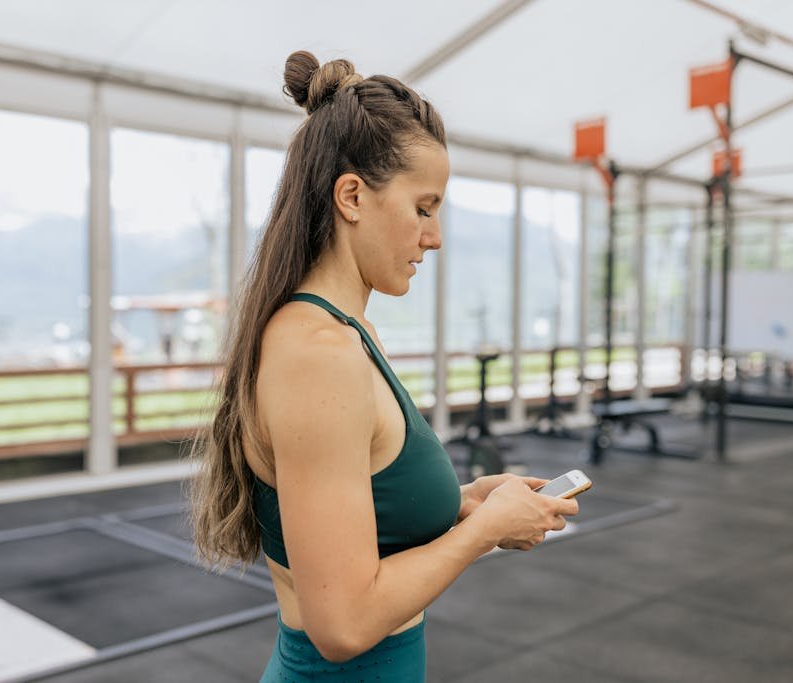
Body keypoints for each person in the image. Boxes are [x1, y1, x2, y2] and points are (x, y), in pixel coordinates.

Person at [191, 50, 579, 682]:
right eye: (423, 208)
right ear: (351, 196)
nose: (435, 236)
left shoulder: (343, 331)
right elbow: (342, 623)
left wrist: (465, 504)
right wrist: (483, 534)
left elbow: (357, 506)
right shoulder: (319, 356)